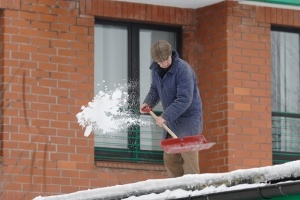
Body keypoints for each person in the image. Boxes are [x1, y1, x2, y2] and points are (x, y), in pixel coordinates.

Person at [140, 40, 203, 178]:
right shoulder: (156, 71)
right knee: (170, 158)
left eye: (167, 59)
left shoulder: (183, 70)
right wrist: (148, 102)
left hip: (188, 119)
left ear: (171, 55)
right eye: (161, 61)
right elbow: (155, 89)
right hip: (172, 120)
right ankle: (177, 190)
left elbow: (184, 99)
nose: (165, 63)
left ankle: (193, 190)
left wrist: (165, 116)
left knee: (189, 157)